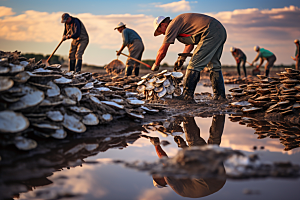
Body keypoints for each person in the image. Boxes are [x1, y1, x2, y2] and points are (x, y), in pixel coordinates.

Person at [151, 13, 227, 101]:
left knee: (193, 64)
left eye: (161, 31)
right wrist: (181, 59)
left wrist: (156, 64)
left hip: (210, 31)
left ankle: (187, 96)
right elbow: (189, 45)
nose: (163, 34)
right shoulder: (180, 25)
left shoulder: (171, 26)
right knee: (214, 64)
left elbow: (162, 51)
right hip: (219, 30)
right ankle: (220, 96)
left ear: (163, 25)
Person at [149, 115, 226, 198]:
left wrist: (182, 146)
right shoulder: (170, 180)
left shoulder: (179, 182)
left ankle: (220, 114)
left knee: (213, 145)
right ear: (160, 180)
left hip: (219, 179)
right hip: (207, 179)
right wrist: (156, 145)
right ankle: (188, 116)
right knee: (193, 142)